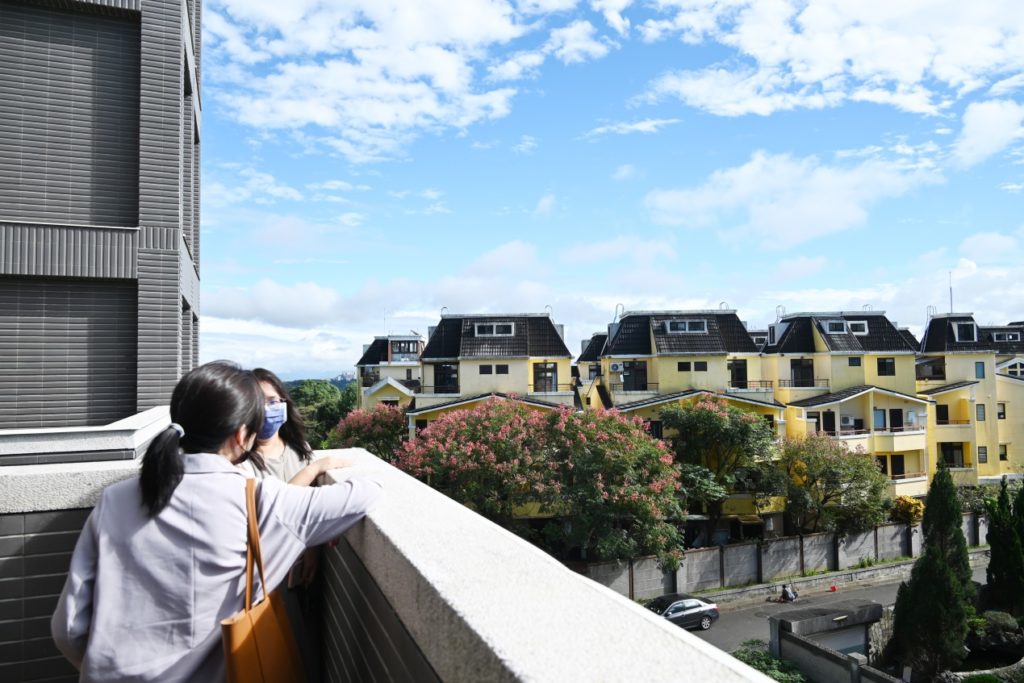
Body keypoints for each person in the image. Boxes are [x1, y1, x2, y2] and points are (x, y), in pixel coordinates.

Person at [50, 361, 382, 682]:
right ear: (241, 436)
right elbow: (367, 492)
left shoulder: (114, 499)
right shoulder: (263, 501)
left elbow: (68, 629)